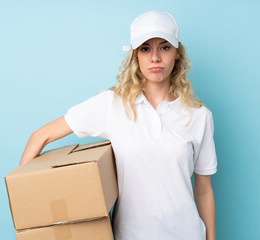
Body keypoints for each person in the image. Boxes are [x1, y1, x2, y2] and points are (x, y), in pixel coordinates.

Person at [19, 10, 217, 240]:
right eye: (145, 49)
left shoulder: (199, 116)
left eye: (164, 47)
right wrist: (25, 200)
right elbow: (39, 137)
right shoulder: (112, 106)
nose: (155, 57)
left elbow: (204, 190)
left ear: (177, 53)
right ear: (135, 56)